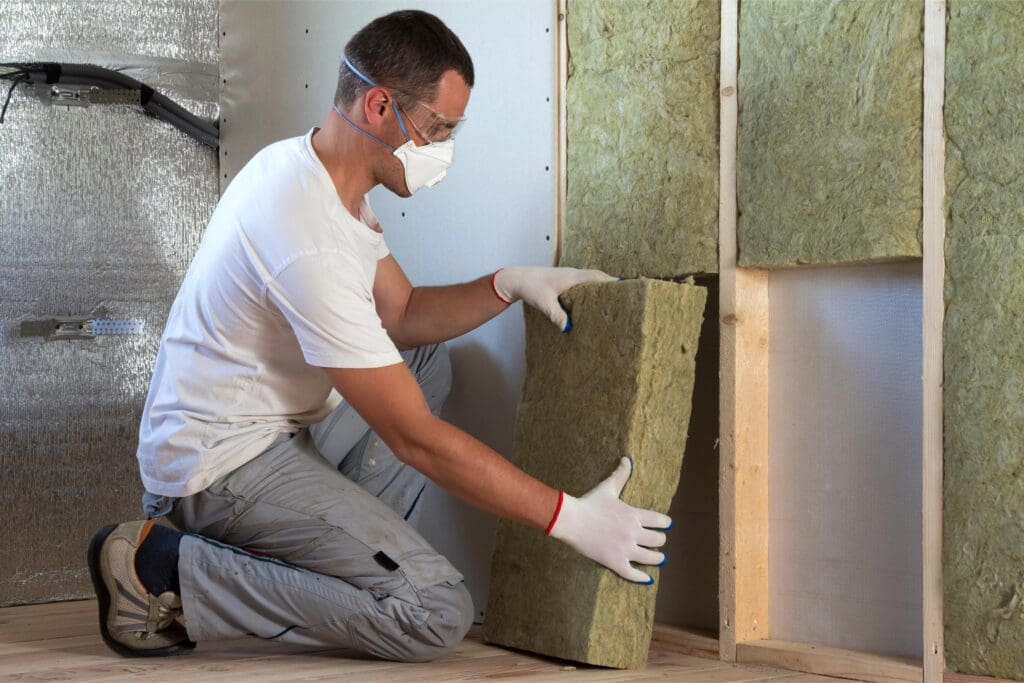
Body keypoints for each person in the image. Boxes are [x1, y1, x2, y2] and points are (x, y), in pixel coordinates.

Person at [87, 9, 672, 662]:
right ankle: (166, 572)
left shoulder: (323, 177)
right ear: (377, 105)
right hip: (214, 470)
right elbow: (413, 438)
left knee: (423, 358)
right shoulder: (305, 233)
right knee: (431, 609)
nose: (444, 149)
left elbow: (403, 313)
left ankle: (331, 566)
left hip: (267, 432)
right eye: (437, 128)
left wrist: (508, 283)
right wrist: (571, 518)